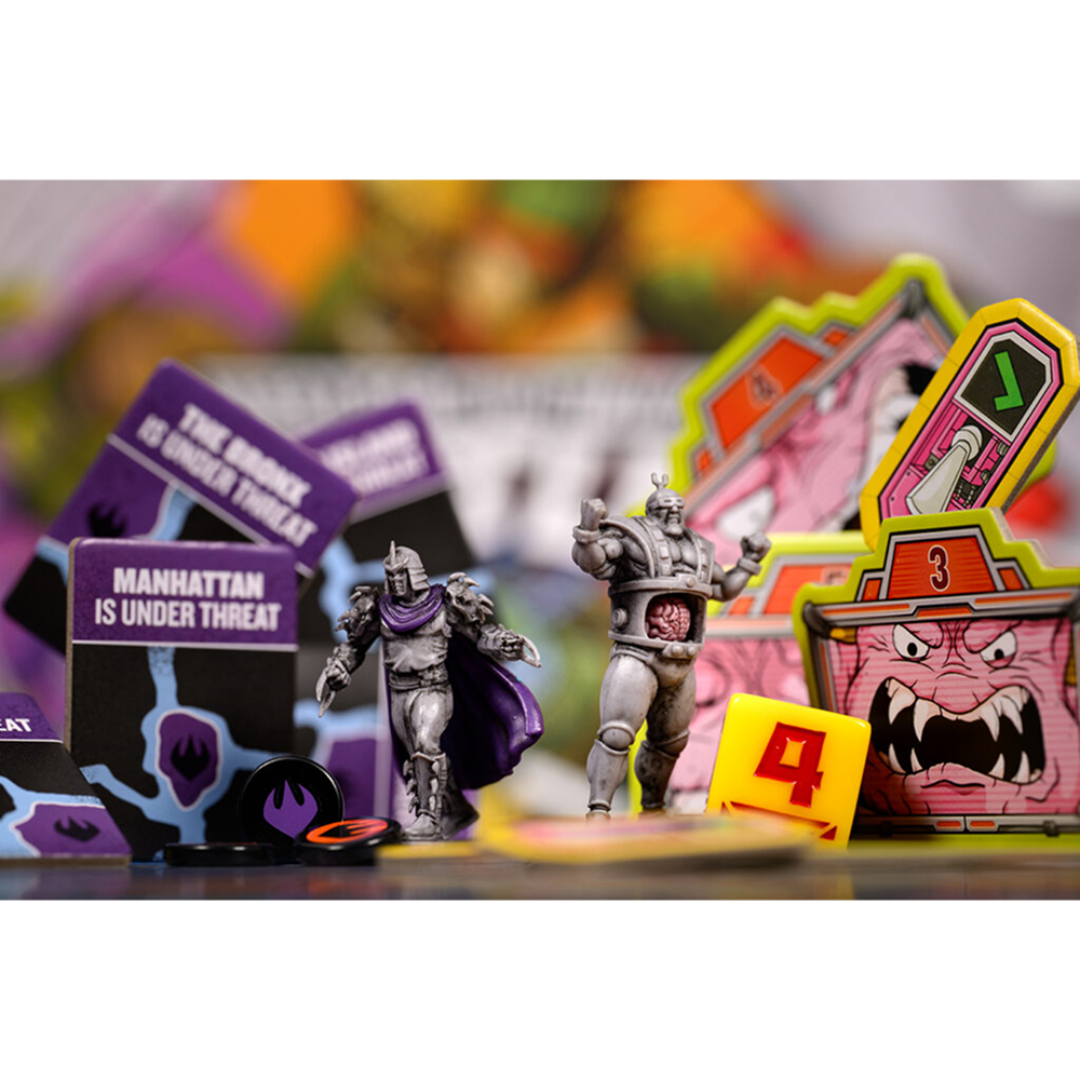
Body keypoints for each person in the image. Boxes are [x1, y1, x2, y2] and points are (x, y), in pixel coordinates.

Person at [572, 473, 770, 817]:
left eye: (678, 506)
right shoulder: (632, 539)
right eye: (666, 507)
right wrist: (588, 531)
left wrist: (748, 561)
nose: (674, 512)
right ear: (652, 511)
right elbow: (594, 562)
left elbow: (724, 588)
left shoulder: (698, 549)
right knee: (616, 736)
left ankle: (653, 809)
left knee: (669, 744)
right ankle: (599, 809)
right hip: (637, 656)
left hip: (683, 662)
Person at [317, 543, 542, 841]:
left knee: (426, 744)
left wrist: (502, 642)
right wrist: (340, 668)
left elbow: (478, 635)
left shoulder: (445, 603)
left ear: (415, 572)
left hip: (433, 687)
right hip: (399, 692)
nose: (396, 580)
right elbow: (355, 647)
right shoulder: (380, 609)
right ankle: (456, 808)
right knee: (416, 755)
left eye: (401, 573)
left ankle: (427, 818)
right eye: (391, 575)